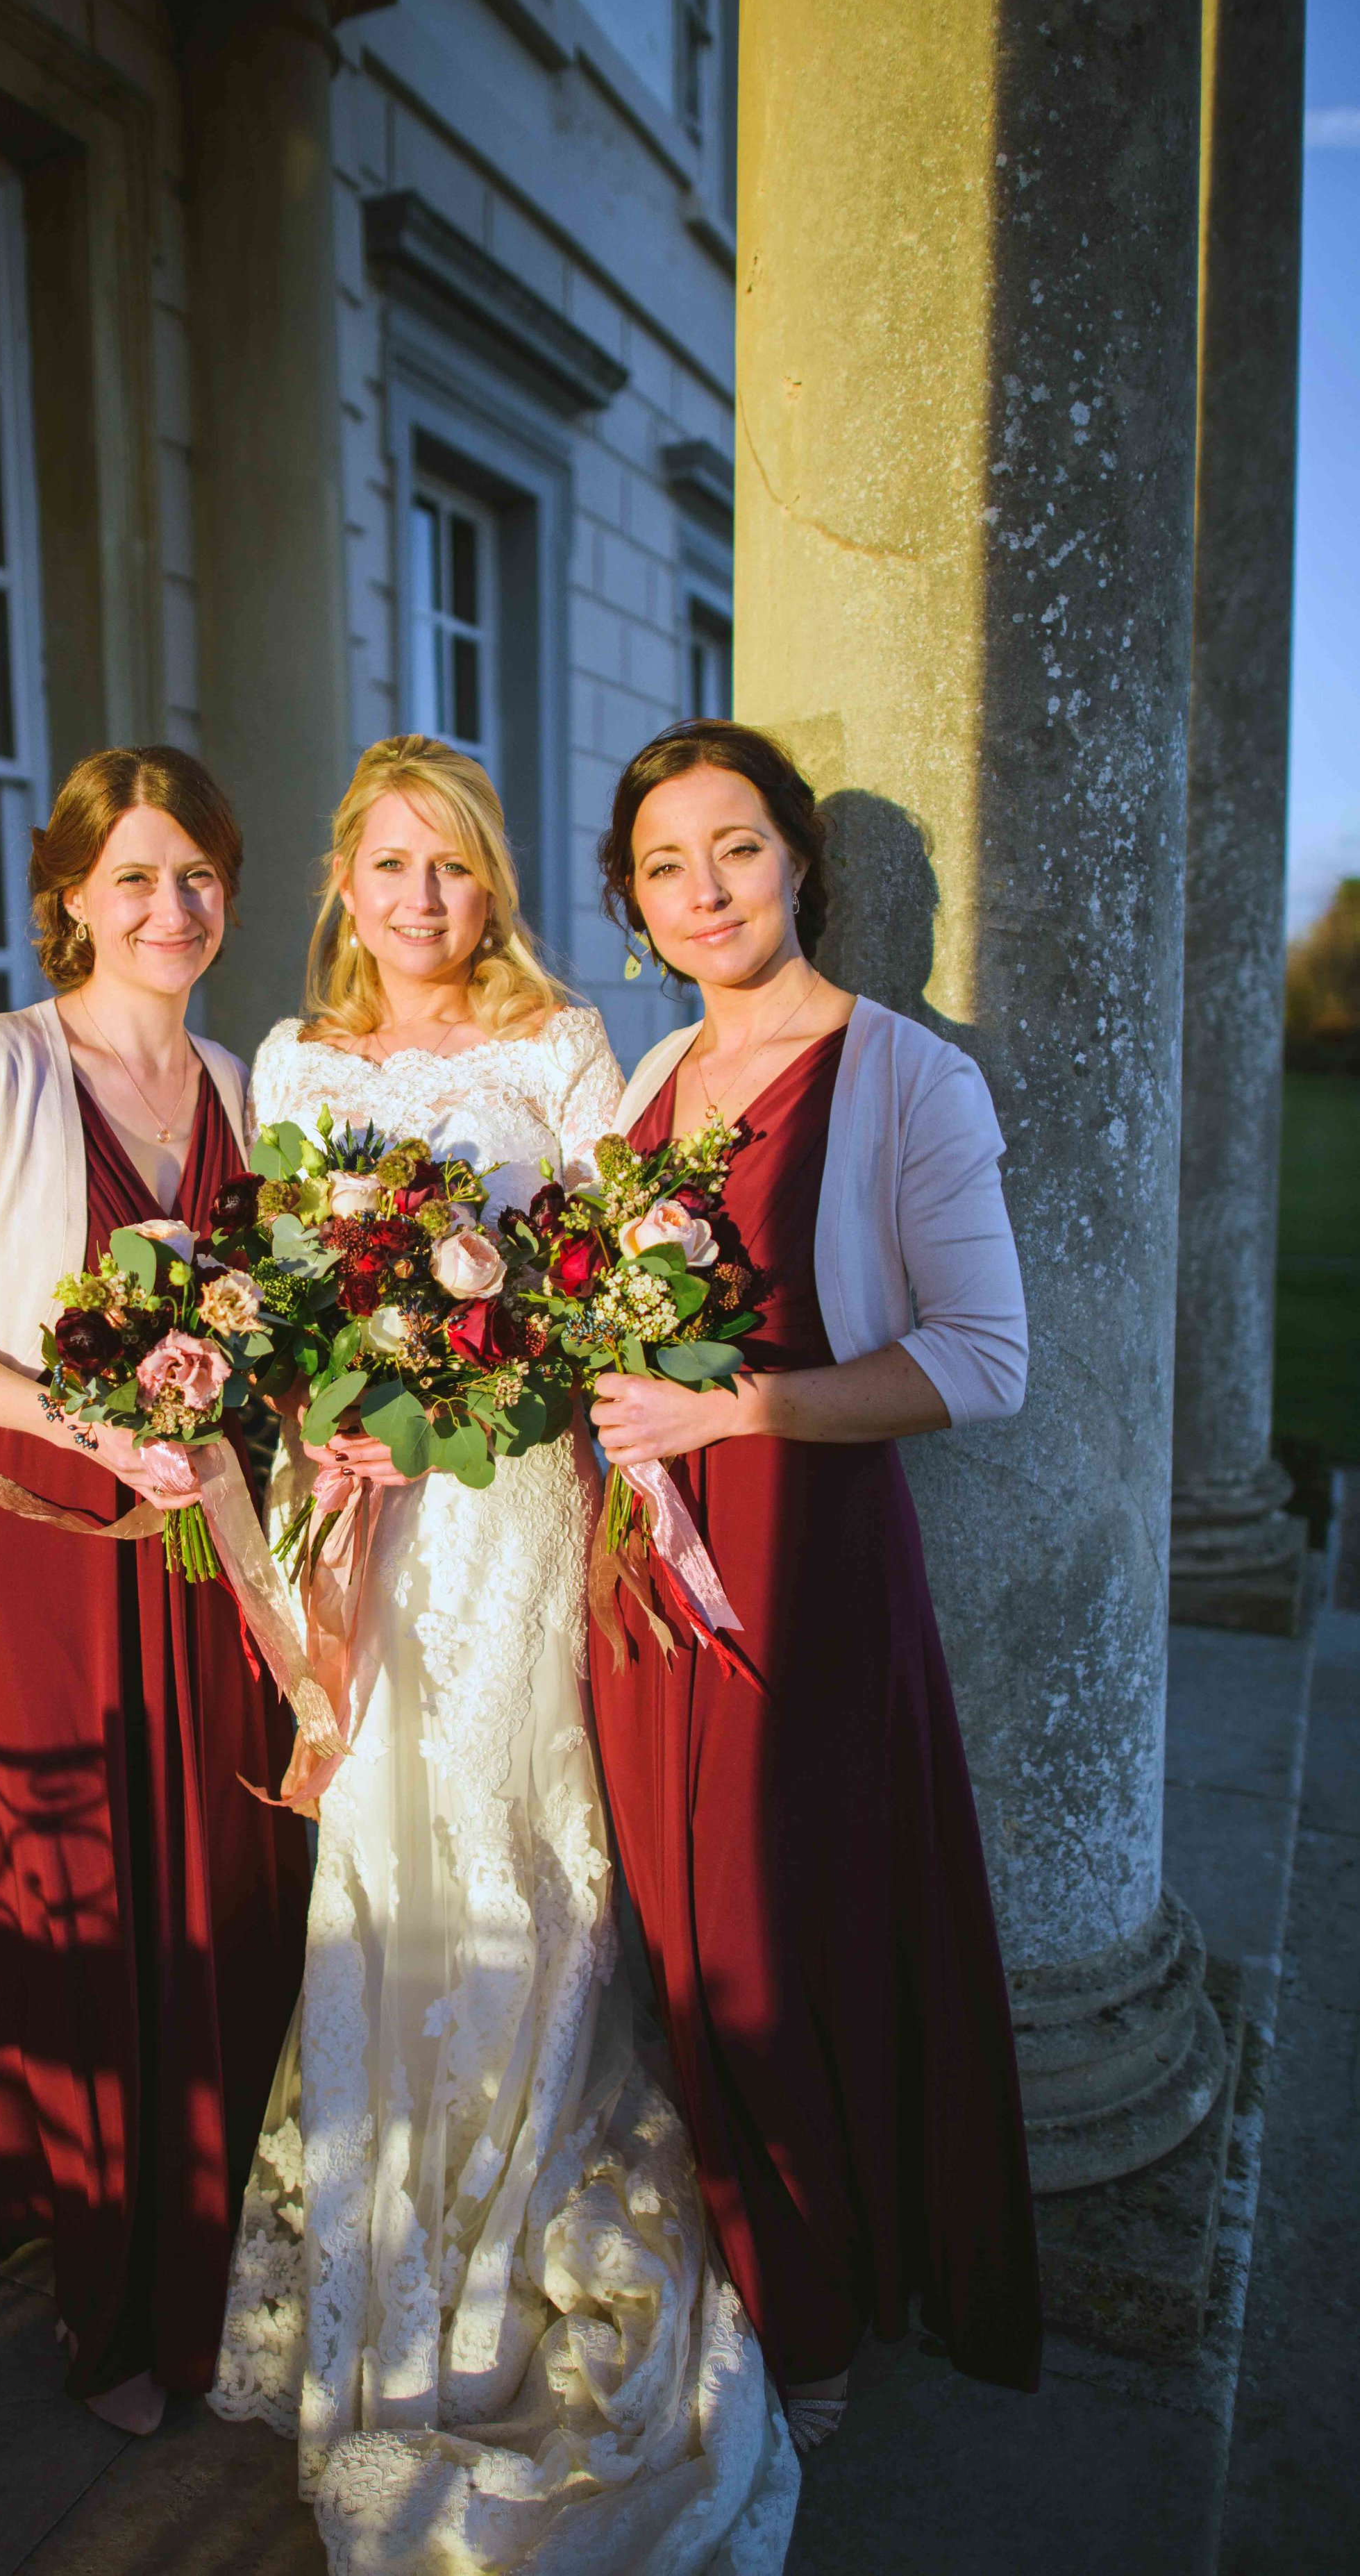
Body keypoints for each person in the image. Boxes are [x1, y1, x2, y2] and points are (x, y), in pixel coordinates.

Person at [208, 735, 800, 2571]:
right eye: (390, 867)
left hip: (513, 1511)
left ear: (495, 883)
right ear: (341, 880)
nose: (422, 901)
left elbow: (626, 1275)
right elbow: (273, 1291)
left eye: (453, 868)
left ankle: (518, 2235)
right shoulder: (291, 1061)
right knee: (378, 1853)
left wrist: (478, 1379)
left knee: (519, 1852)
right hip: (358, 1520)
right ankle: (391, 2271)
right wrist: (329, 1400)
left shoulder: (562, 1049)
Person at [587, 719, 1042, 2450]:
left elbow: (984, 1360)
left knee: (793, 1930)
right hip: (640, 1577)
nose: (703, 890)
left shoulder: (908, 1076)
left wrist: (733, 1406)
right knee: (680, 1934)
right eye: (662, 865)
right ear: (632, 904)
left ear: (797, 863)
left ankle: (817, 2308)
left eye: (735, 848)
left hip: (805, 1569)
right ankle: (741, 2248)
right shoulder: (638, 1091)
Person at [0, 746, 308, 2436]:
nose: (170, 907)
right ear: (69, 897)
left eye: (196, 874)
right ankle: (109, 2285)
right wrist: (87, 1417)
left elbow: (272, 1332)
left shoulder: (250, 1087)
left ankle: (217, 2233)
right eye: (133, 877)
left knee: (224, 1879)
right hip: (38, 1540)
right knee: (78, 1902)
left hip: (206, 1542)